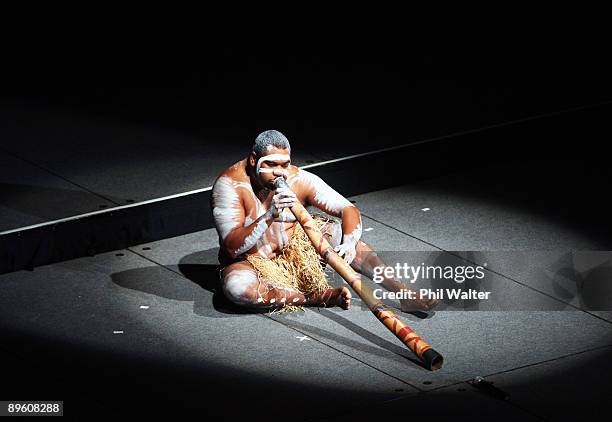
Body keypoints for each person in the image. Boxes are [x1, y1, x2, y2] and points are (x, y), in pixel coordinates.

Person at [211, 129, 438, 312]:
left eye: (284, 164)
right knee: (238, 289)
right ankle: (312, 298)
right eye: (271, 165)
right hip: (251, 261)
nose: (280, 172)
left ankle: (404, 293)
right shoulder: (230, 185)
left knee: (345, 237)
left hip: (293, 251)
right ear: (253, 160)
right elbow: (232, 248)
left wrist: (348, 244)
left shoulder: (299, 179)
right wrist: (269, 216)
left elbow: (348, 209)